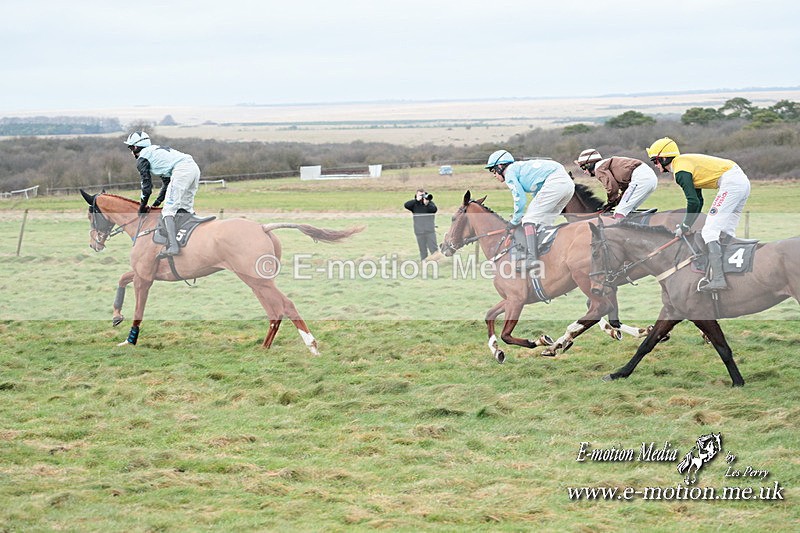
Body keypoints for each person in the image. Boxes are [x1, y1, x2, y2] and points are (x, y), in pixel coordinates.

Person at [646, 137, 751, 291]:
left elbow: (694, 202)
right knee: (726, 231)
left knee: (710, 231)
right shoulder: (683, 164)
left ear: (663, 158)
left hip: (731, 183)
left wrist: (684, 226)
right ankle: (729, 273)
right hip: (740, 181)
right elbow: (699, 201)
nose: (655, 165)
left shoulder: (680, 171)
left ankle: (718, 280)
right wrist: (686, 226)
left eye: (655, 161)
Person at [485, 149, 575, 269]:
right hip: (567, 185)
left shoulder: (509, 172)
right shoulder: (519, 168)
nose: (494, 175)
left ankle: (532, 259)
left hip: (556, 182)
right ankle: (546, 255)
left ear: (500, 166)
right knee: (543, 223)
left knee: (529, 220)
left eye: (493, 170)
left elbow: (519, 198)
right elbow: (537, 194)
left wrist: (515, 220)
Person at [124, 131, 201, 257]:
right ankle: (191, 239)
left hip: (181, 170)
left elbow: (146, 188)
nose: (131, 152)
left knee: (168, 211)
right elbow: (166, 184)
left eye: (130, 147)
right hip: (193, 168)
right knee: (185, 208)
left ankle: (173, 246)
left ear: (136, 147)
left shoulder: (143, 158)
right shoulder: (155, 153)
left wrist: (142, 207)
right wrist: (156, 203)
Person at [574, 149, 658, 218]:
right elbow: (626, 190)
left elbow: (612, 187)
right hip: (650, 178)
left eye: (583, 167)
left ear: (589, 164)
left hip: (641, 178)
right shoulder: (607, 165)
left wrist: (611, 203)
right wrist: (616, 201)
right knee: (628, 210)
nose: (584, 172)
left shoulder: (599, 168)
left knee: (619, 212)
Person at [404, 189, 438, 260]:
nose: (422, 197)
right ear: (416, 195)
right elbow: (406, 205)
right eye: (420, 195)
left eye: (423, 195)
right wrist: (416, 200)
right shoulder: (414, 205)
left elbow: (434, 210)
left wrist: (426, 204)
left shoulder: (430, 203)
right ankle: (424, 262)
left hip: (429, 231)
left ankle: (436, 261)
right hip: (419, 231)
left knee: (433, 248)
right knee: (422, 250)